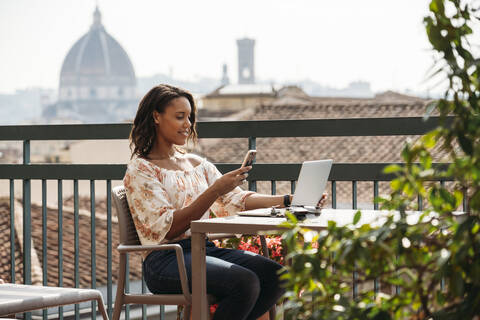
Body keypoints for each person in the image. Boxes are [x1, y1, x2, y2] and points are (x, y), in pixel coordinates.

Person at [123, 84, 326, 320]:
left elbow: (237, 199)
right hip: (165, 260)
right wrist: (214, 190)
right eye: (180, 117)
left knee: (276, 276)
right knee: (244, 281)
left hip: (203, 250)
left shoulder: (197, 164)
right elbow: (170, 228)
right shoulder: (141, 170)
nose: (188, 124)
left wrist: (288, 200)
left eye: (190, 117)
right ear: (156, 116)